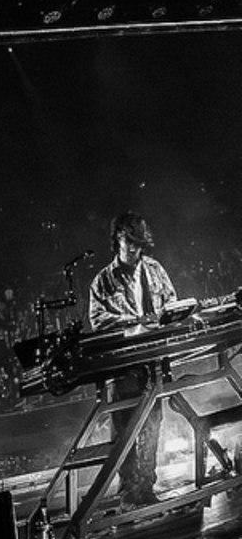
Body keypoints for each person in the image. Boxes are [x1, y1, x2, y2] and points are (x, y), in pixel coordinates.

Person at [86, 212, 175, 507]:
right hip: (122, 369)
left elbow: (172, 303)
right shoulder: (102, 281)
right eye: (129, 243)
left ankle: (146, 487)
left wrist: (166, 318)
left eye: (139, 244)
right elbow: (98, 320)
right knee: (123, 431)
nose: (135, 250)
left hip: (153, 364)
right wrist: (135, 321)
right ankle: (128, 490)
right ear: (117, 241)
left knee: (152, 426)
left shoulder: (154, 269)